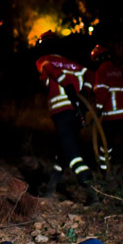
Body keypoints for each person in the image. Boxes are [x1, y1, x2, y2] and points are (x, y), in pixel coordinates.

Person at [35, 32, 93, 194]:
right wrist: (85, 93)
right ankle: (51, 185)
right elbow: (90, 75)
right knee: (62, 146)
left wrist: (66, 84)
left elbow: (50, 70)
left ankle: (89, 185)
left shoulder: (44, 60)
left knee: (70, 149)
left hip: (61, 110)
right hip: (76, 112)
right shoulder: (72, 64)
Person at [88, 44, 123, 175]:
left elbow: (101, 92)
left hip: (113, 116)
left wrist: (96, 112)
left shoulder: (102, 72)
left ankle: (104, 173)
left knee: (105, 145)